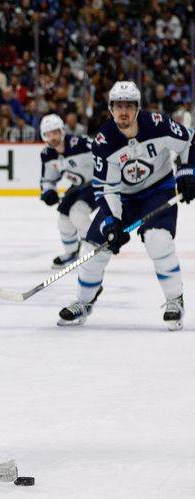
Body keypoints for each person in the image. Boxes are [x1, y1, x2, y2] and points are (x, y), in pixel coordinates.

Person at [57, 81, 195, 330]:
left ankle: (175, 300)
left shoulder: (158, 124)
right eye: (118, 105)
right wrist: (112, 224)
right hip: (122, 198)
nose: (123, 111)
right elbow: (107, 189)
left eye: (129, 106)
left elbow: (189, 142)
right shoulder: (103, 142)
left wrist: (187, 172)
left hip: (158, 191)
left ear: (137, 108)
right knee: (93, 248)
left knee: (158, 240)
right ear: (110, 108)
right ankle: (84, 301)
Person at [38, 113, 98, 268]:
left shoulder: (80, 143)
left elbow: (106, 152)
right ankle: (71, 253)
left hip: (98, 183)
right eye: (48, 134)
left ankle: (94, 248)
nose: (53, 137)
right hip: (78, 186)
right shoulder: (47, 154)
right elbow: (47, 180)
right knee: (64, 220)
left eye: (55, 132)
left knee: (78, 213)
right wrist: (48, 192)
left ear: (62, 131)